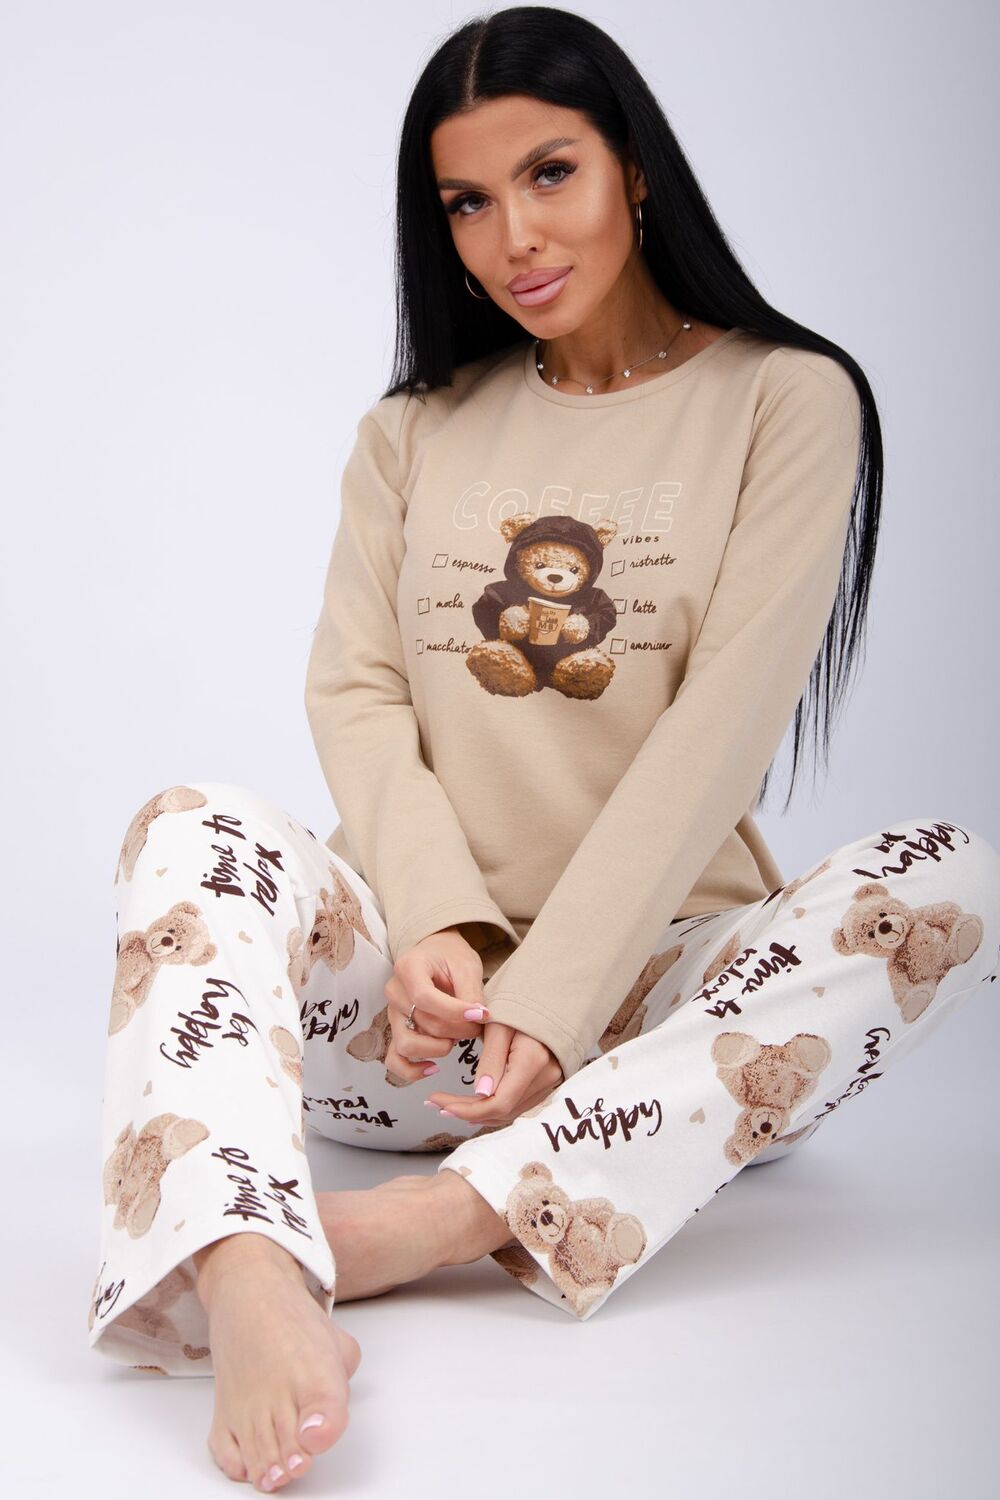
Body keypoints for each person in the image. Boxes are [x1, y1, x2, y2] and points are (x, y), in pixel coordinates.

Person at [88, 6, 1000, 1495]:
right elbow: (356, 689)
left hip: (649, 1050)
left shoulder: (785, 398)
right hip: (407, 1030)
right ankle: (247, 1260)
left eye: (550, 173)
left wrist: (559, 1002)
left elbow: (723, 729)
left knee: (953, 882)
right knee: (189, 820)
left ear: (635, 167)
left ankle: (432, 1225)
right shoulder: (414, 430)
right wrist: (437, 927)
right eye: (466, 200)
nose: (511, 236)